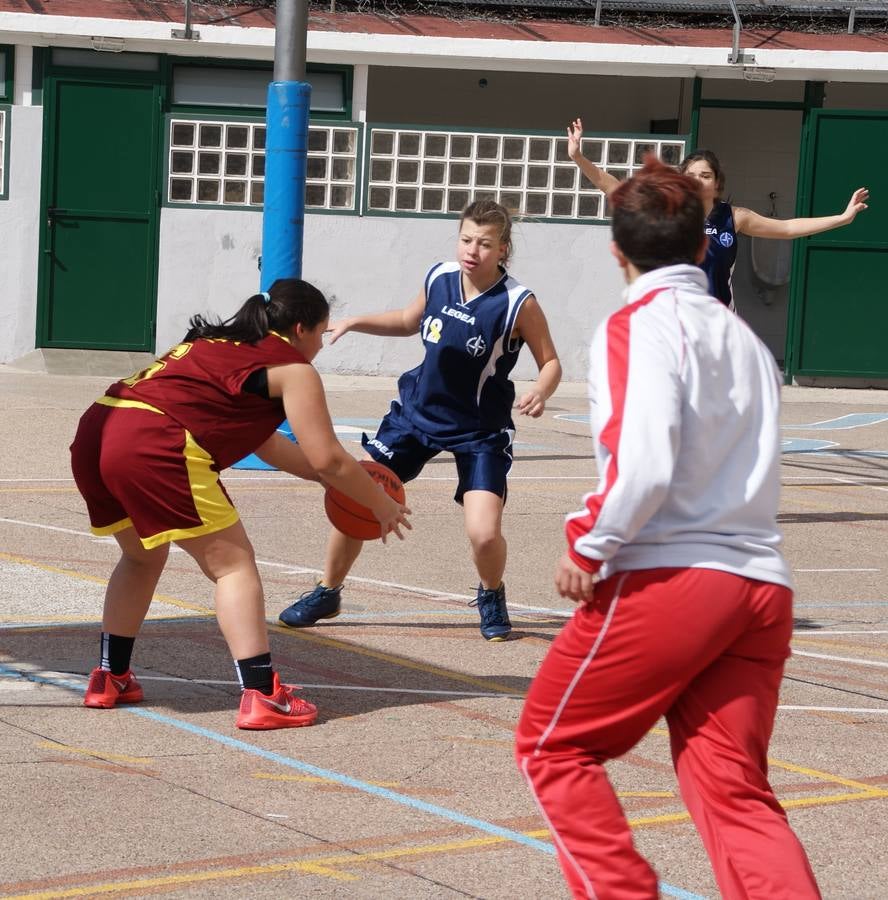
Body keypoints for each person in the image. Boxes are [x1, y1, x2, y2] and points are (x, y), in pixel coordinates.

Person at [515, 157, 821, 898]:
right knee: (734, 793)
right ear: (704, 246)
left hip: (675, 577)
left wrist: (591, 539)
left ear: (616, 250)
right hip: (760, 585)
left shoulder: (636, 326)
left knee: (553, 747)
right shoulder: (747, 344)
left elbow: (645, 459)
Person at [70, 279, 411, 730]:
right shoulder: (293, 368)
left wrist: (331, 481)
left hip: (98, 431)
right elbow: (329, 457)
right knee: (234, 567)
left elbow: (267, 444)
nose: (320, 346)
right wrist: (378, 503)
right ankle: (264, 695)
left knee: (140, 557)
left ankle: (109, 677)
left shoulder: (216, 343)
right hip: (154, 442)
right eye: (321, 334)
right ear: (301, 328)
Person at [278, 199, 562, 641]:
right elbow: (409, 320)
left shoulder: (517, 303)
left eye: (485, 243)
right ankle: (327, 590)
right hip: (416, 415)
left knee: (484, 534)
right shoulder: (440, 277)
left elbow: (551, 362)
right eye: (466, 239)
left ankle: (491, 592)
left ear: (503, 249)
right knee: (357, 495)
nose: (472, 250)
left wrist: (540, 390)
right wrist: (357, 320)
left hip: (480, 430)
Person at [567, 116, 868, 308]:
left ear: (717, 182)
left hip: (718, 319)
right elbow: (613, 187)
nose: (698, 180)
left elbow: (788, 228)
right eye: (692, 175)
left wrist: (842, 218)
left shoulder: (735, 217)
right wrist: (579, 157)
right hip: (674, 317)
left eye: (706, 175)